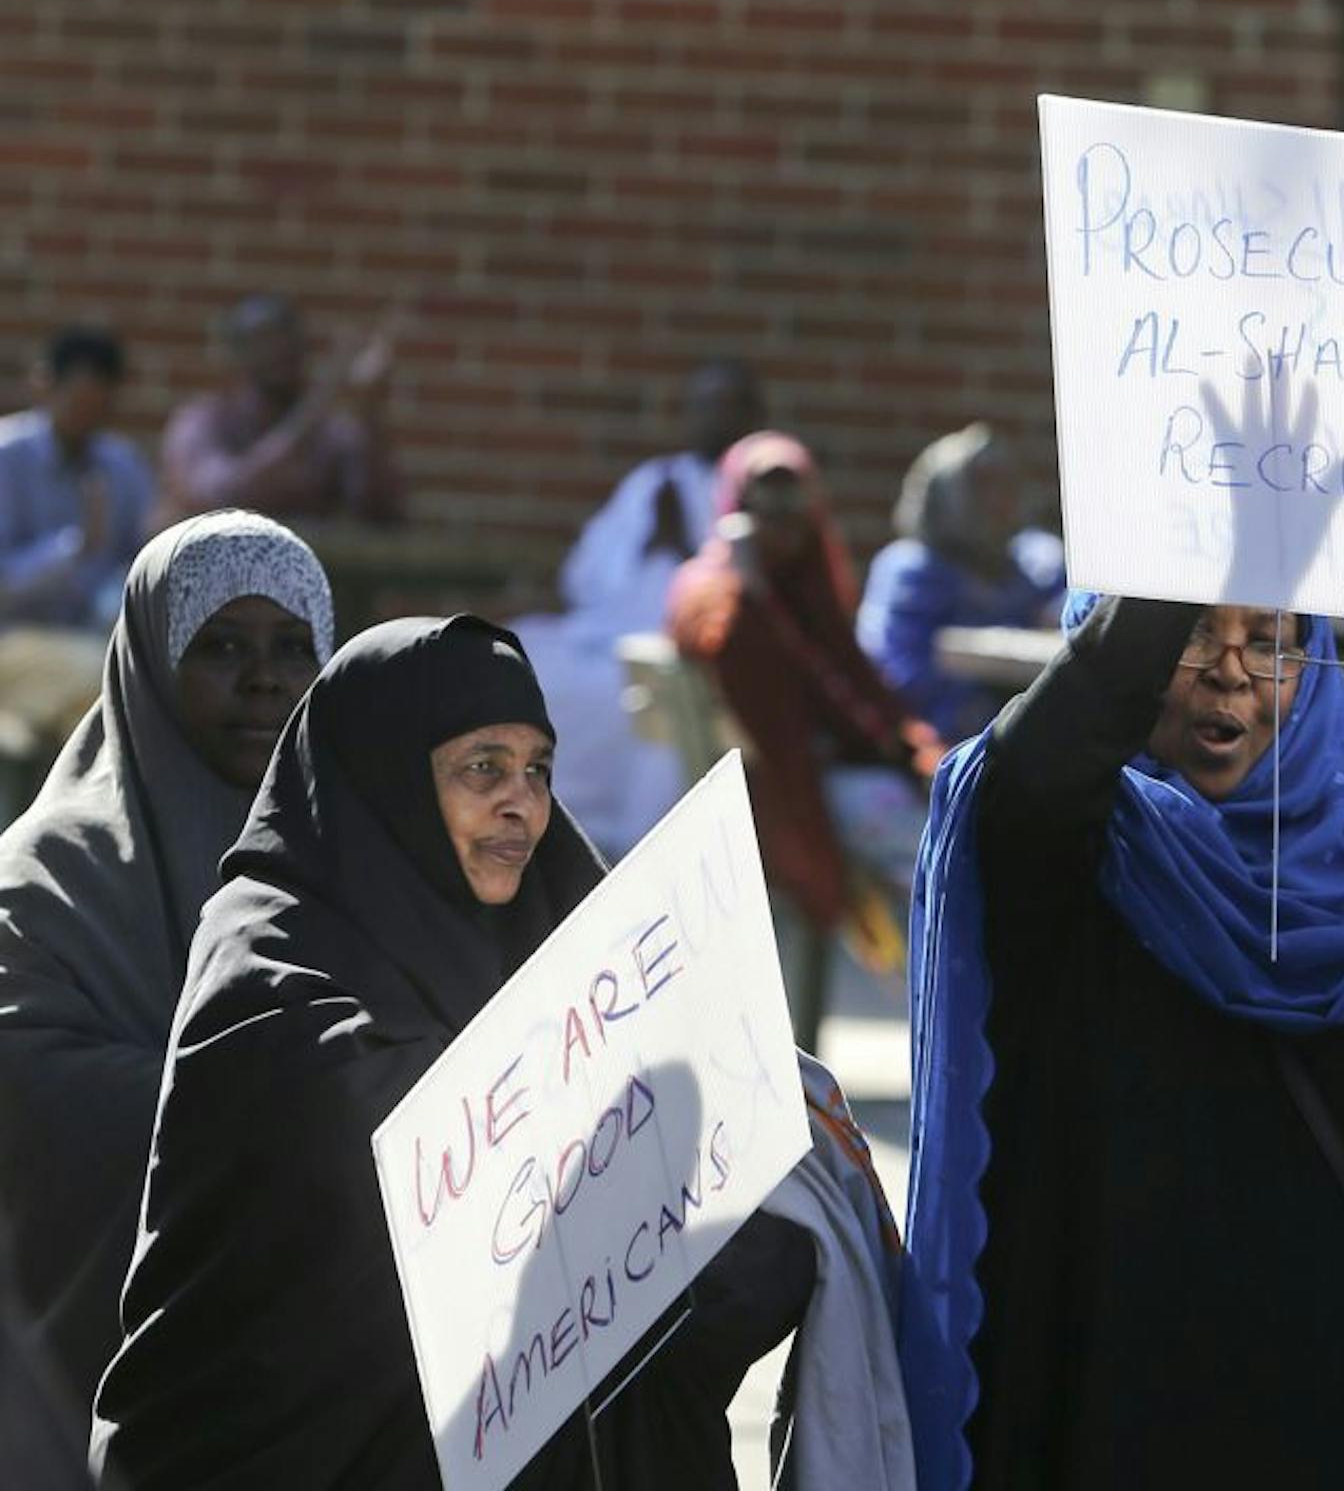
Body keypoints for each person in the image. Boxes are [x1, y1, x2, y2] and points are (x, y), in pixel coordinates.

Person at [90, 616, 915, 1490]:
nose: (520, 801)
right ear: (386, 773)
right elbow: (416, 1170)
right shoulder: (267, 969)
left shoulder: (543, 935)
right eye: (482, 767)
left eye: (538, 770)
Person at [902, 524, 1344, 1490]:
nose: (1233, 672)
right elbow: (1026, 780)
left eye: (1273, 638)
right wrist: (1190, 530)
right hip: (1110, 1426)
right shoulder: (1077, 859)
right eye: (1194, 635)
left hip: (1338, 1428)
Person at [0, 511, 334, 1435]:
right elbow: (28, 1091)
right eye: (220, 645)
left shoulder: (358, 850)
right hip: (114, 1371)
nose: (264, 676)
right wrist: (261, 1102)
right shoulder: (52, 872)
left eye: (293, 645)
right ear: (149, 663)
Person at [669, 433, 940, 962]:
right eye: (762, 506)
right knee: (947, 856)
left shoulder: (810, 582)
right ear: (734, 511)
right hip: (791, 798)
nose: (782, 522)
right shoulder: (720, 596)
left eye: (794, 505)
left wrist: (914, 753)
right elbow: (760, 672)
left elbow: (857, 692)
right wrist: (751, 589)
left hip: (839, 776)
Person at [517, 357, 768, 858]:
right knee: (515, 659)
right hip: (604, 635)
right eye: (703, 406)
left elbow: (749, 590)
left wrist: (683, 544)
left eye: (727, 406)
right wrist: (650, 537)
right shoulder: (656, 481)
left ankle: (617, 847)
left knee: (642, 708)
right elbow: (584, 575)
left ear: (752, 416)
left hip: (684, 653)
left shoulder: (760, 486)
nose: (713, 418)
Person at [856, 424, 1065, 746]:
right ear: (943, 492)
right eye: (981, 486)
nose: (999, 502)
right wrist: (981, 719)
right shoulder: (911, 570)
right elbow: (899, 667)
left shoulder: (1032, 561)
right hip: (941, 740)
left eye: (1005, 485)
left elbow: (1072, 613)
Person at [0, 327, 156, 757]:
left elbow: (134, 564)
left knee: (118, 692)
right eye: (77, 401)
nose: (85, 417)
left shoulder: (122, 465)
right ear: (44, 383)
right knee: (105, 683)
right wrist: (73, 548)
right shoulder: (5, 456)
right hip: (12, 640)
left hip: (89, 639)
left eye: (99, 406)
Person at [156, 293, 403, 526]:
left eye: (288, 340)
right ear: (237, 355)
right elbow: (223, 499)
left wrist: (370, 411)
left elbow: (383, 514)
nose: (280, 351)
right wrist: (320, 399)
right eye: (264, 340)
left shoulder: (329, 433)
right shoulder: (202, 422)